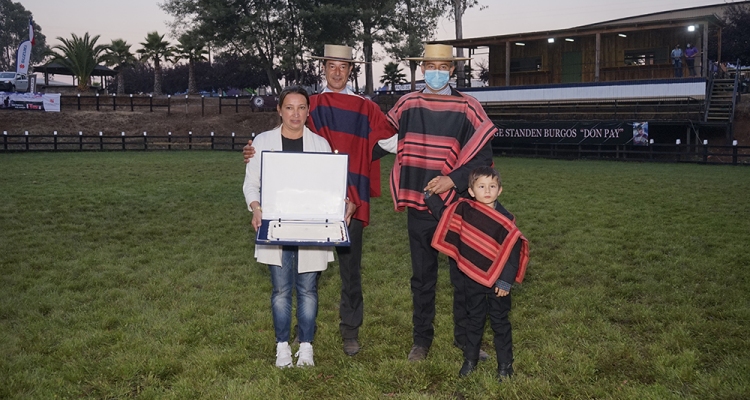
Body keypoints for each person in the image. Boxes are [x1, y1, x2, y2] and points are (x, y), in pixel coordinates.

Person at [244, 44, 397, 356]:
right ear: (324, 68)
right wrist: (252, 151)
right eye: (331, 66)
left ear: (351, 69)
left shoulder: (365, 107)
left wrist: (363, 155)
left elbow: (394, 142)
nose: (337, 72)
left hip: (349, 198)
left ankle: (350, 331)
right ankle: (302, 335)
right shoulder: (312, 103)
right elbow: (284, 133)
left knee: (350, 271)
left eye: (343, 66)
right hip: (307, 204)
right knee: (302, 271)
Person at [387, 44, 497, 362]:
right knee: (422, 278)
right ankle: (421, 341)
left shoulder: (469, 107)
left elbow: (485, 158)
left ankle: (466, 340)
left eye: (443, 66)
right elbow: (378, 140)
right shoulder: (407, 104)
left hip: (457, 207)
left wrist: (455, 180)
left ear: (452, 70)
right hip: (420, 206)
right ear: (422, 68)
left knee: (462, 277)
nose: (436, 71)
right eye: (430, 65)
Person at [243, 86, 335, 368]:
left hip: (310, 228)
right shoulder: (262, 142)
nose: (295, 114)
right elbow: (251, 183)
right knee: (281, 290)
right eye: (289, 107)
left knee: (308, 289)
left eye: (301, 107)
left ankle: (305, 346)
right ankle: (282, 346)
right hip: (275, 226)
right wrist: (255, 208)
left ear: (309, 110)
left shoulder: (320, 144)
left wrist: (337, 205)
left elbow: (329, 186)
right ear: (279, 110)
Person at [428, 166, 529, 382]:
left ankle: (505, 366)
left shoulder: (505, 219)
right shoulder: (464, 210)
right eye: (481, 186)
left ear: (500, 190)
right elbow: (444, 216)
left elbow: (513, 251)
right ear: (471, 191)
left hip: (498, 283)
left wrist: (505, 281)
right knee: (473, 320)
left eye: (492, 186)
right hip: (472, 278)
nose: (487, 190)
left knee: (500, 322)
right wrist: (430, 197)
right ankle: (470, 360)